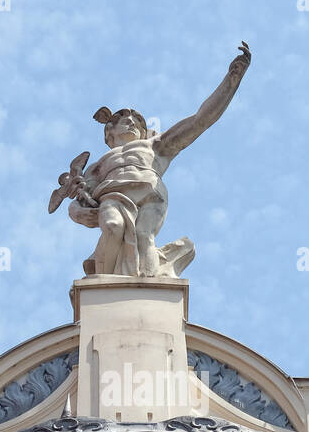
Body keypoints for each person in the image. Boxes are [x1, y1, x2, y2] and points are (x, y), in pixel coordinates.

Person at [67, 42, 251, 278]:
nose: (131, 122)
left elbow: (200, 121)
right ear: (109, 132)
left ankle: (148, 289)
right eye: (124, 119)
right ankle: (105, 286)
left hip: (151, 194)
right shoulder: (97, 166)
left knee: (145, 237)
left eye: (137, 121)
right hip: (113, 195)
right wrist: (77, 213)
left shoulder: (155, 146)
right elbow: (78, 201)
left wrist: (231, 81)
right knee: (113, 228)